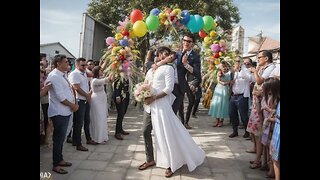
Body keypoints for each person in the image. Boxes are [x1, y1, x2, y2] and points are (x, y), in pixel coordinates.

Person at [140, 46, 205, 178]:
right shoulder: (151, 69)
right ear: (158, 54)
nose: (167, 55)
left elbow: (169, 89)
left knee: (165, 134)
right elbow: (145, 83)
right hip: (148, 106)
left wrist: (153, 97)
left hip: (160, 105)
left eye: (168, 54)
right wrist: (141, 94)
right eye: (164, 53)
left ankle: (171, 163)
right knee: (145, 131)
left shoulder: (169, 68)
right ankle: (150, 159)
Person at [154, 32, 201, 129]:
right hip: (166, 86)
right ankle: (163, 129)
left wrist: (186, 64)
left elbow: (196, 73)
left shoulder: (195, 56)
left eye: (189, 41)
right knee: (165, 111)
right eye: (184, 40)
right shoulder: (176, 53)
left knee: (173, 112)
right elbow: (166, 61)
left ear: (193, 43)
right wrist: (156, 65)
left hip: (179, 88)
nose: (186, 43)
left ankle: (174, 130)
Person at [47, 54, 79, 174]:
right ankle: (56, 165)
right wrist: (73, 106)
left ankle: (59, 159)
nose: (68, 64)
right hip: (59, 112)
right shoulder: (55, 76)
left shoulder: (62, 75)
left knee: (61, 138)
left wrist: (73, 103)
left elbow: (68, 91)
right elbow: (60, 97)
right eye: (66, 62)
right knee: (58, 139)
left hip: (65, 111)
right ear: (58, 64)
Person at [69, 58, 97, 152]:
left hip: (85, 100)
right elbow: (76, 88)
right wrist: (87, 95)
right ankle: (78, 143)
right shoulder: (74, 74)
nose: (85, 67)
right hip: (79, 100)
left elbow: (94, 74)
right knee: (78, 123)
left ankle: (86, 139)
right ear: (77, 65)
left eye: (85, 65)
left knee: (87, 121)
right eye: (83, 65)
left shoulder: (84, 72)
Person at [228, 57, 255, 138]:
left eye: (239, 61)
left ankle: (247, 132)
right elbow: (230, 82)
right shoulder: (233, 72)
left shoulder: (247, 71)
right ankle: (234, 131)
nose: (237, 63)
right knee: (232, 114)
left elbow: (252, 79)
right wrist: (230, 82)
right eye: (236, 61)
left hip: (242, 96)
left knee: (243, 115)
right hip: (233, 95)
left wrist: (241, 70)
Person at [89, 64, 110, 144]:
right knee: (98, 118)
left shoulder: (99, 78)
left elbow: (109, 79)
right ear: (97, 72)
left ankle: (103, 136)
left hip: (102, 99)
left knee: (103, 118)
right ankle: (97, 137)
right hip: (96, 100)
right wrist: (113, 68)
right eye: (101, 70)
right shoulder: (95, 80)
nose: (102, 71)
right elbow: (107, 80)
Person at [208, 61, 231, 127]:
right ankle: (217, 120)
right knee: (217, 103)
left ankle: (221, 121)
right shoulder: (219, 72)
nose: (223, 68)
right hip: (219, 89)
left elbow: (230, 81)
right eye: (222, 67)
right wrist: (226, 83)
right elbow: (219, 81)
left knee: (223, 104)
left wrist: (227, 83)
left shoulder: (229, 73)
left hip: (225, 90)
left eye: (224, 66)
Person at [113, 76, 130, 140]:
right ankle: (117, 132)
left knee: (123, 113)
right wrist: (117, 96)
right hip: (120, 97)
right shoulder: (118, 76)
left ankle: (120, 129)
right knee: (120, 114)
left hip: (126, 96)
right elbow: (116, 86)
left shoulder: (127, 76)